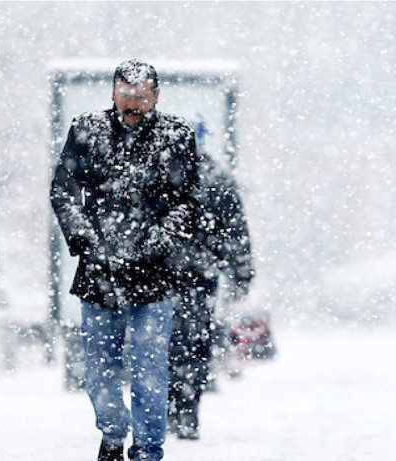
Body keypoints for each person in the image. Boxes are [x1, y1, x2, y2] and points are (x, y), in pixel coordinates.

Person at [50, 59, 201, 461]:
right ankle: (113, 433)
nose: (131, 104)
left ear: (155, 95)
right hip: (99, 273)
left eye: (140, 96)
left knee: (150, 372)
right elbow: (64, 191)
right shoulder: (87, 130)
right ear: (112, 93)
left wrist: (158, 239)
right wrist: (85, 237)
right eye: (124, 95)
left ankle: (149, 449)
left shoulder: (176, 135)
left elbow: (188, 201)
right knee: (100, 373)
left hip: (155, 275)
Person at [167, 115, 254, 440]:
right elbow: (236, 231)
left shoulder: (160, 174)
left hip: (163, 275)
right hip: (200, 276)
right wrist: (241, 272)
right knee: (194, 342)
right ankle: (187, 408)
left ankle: (170, 408)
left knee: (163, 343)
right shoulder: (217, 176)